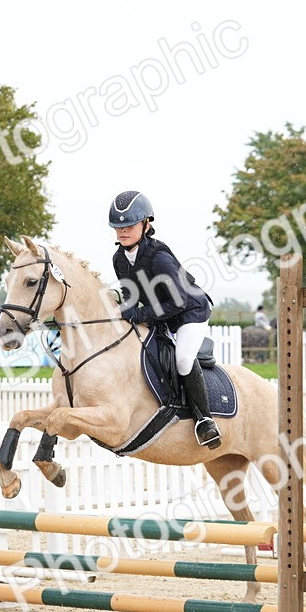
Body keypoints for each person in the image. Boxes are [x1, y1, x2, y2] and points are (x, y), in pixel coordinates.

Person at [109, 190, 220, 449]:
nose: (122, 231)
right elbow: (130, 293)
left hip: (190, 312)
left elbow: (178, 302)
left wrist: (139, 314)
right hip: (162, 315)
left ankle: (205, 421)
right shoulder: (119, 259)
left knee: (182, 358)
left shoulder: (158, 257)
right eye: (118, 226)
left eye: (129, 225)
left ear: (146, 224)